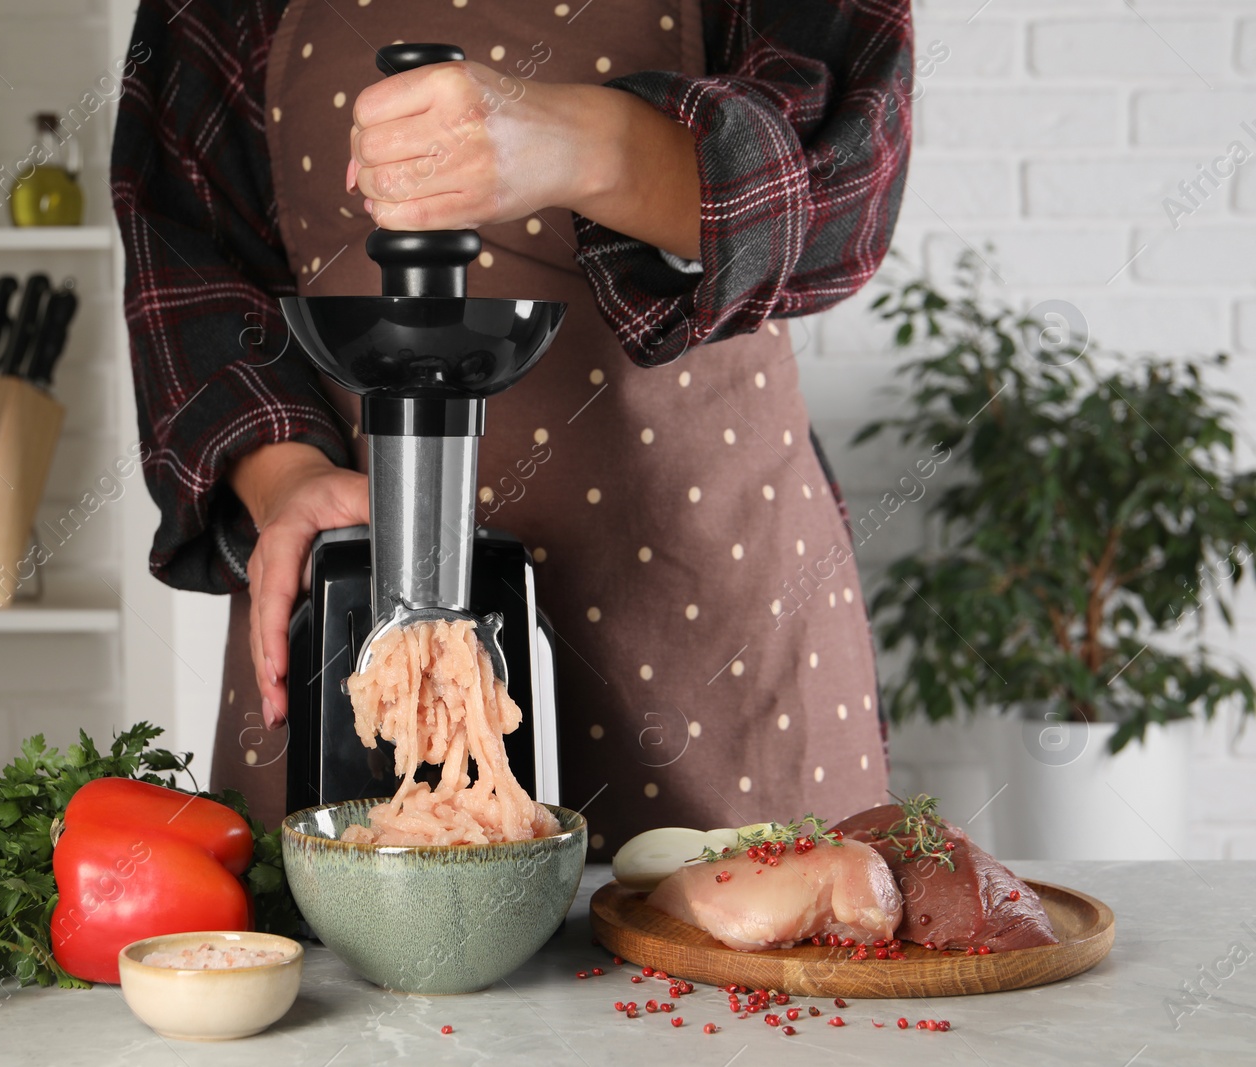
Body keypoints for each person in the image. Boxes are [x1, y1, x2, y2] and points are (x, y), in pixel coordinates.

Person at [113, 0, 913, 855]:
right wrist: (287, 479)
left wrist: (582, 141)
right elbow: (187, 248)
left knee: (752, 960)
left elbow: (845, 182)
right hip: (352, 600)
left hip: (707, 612)